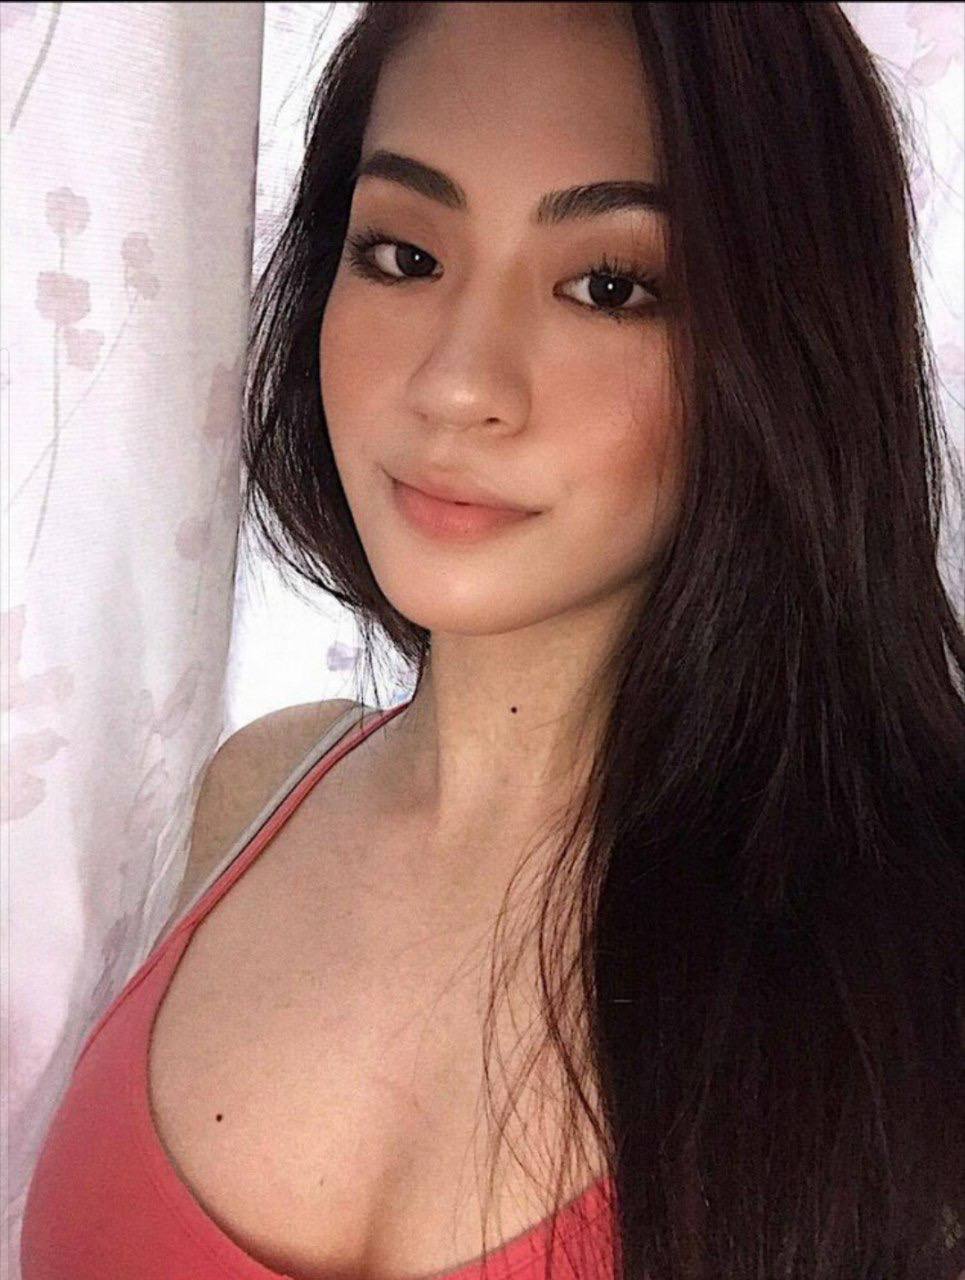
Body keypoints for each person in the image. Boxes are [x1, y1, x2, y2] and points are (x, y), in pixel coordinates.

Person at [21, 4, 965, 1279]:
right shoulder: (250, 793)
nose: (457, 382)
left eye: (608, 287)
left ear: (790, 349)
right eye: (404, 255)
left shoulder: (914, 956)